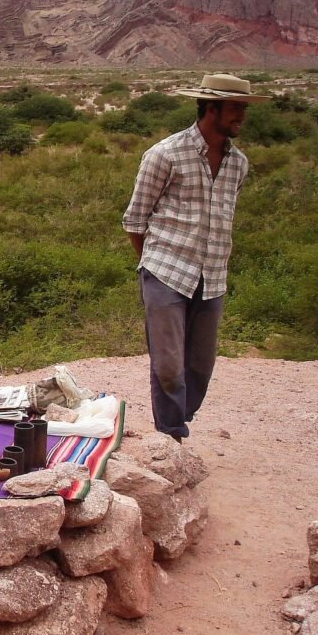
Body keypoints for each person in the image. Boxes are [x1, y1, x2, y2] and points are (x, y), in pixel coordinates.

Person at [122, 74, 269, 441]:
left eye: (244, 108)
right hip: (165, 270)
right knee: (169, 364)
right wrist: (152, 265)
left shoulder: (239, 164)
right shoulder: (164, 155)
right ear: (211, 108)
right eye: (236, 108)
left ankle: (177, 419)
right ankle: (171, 435)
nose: (242, 117)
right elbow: (135, 220)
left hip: (213, 274)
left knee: (201, 366)